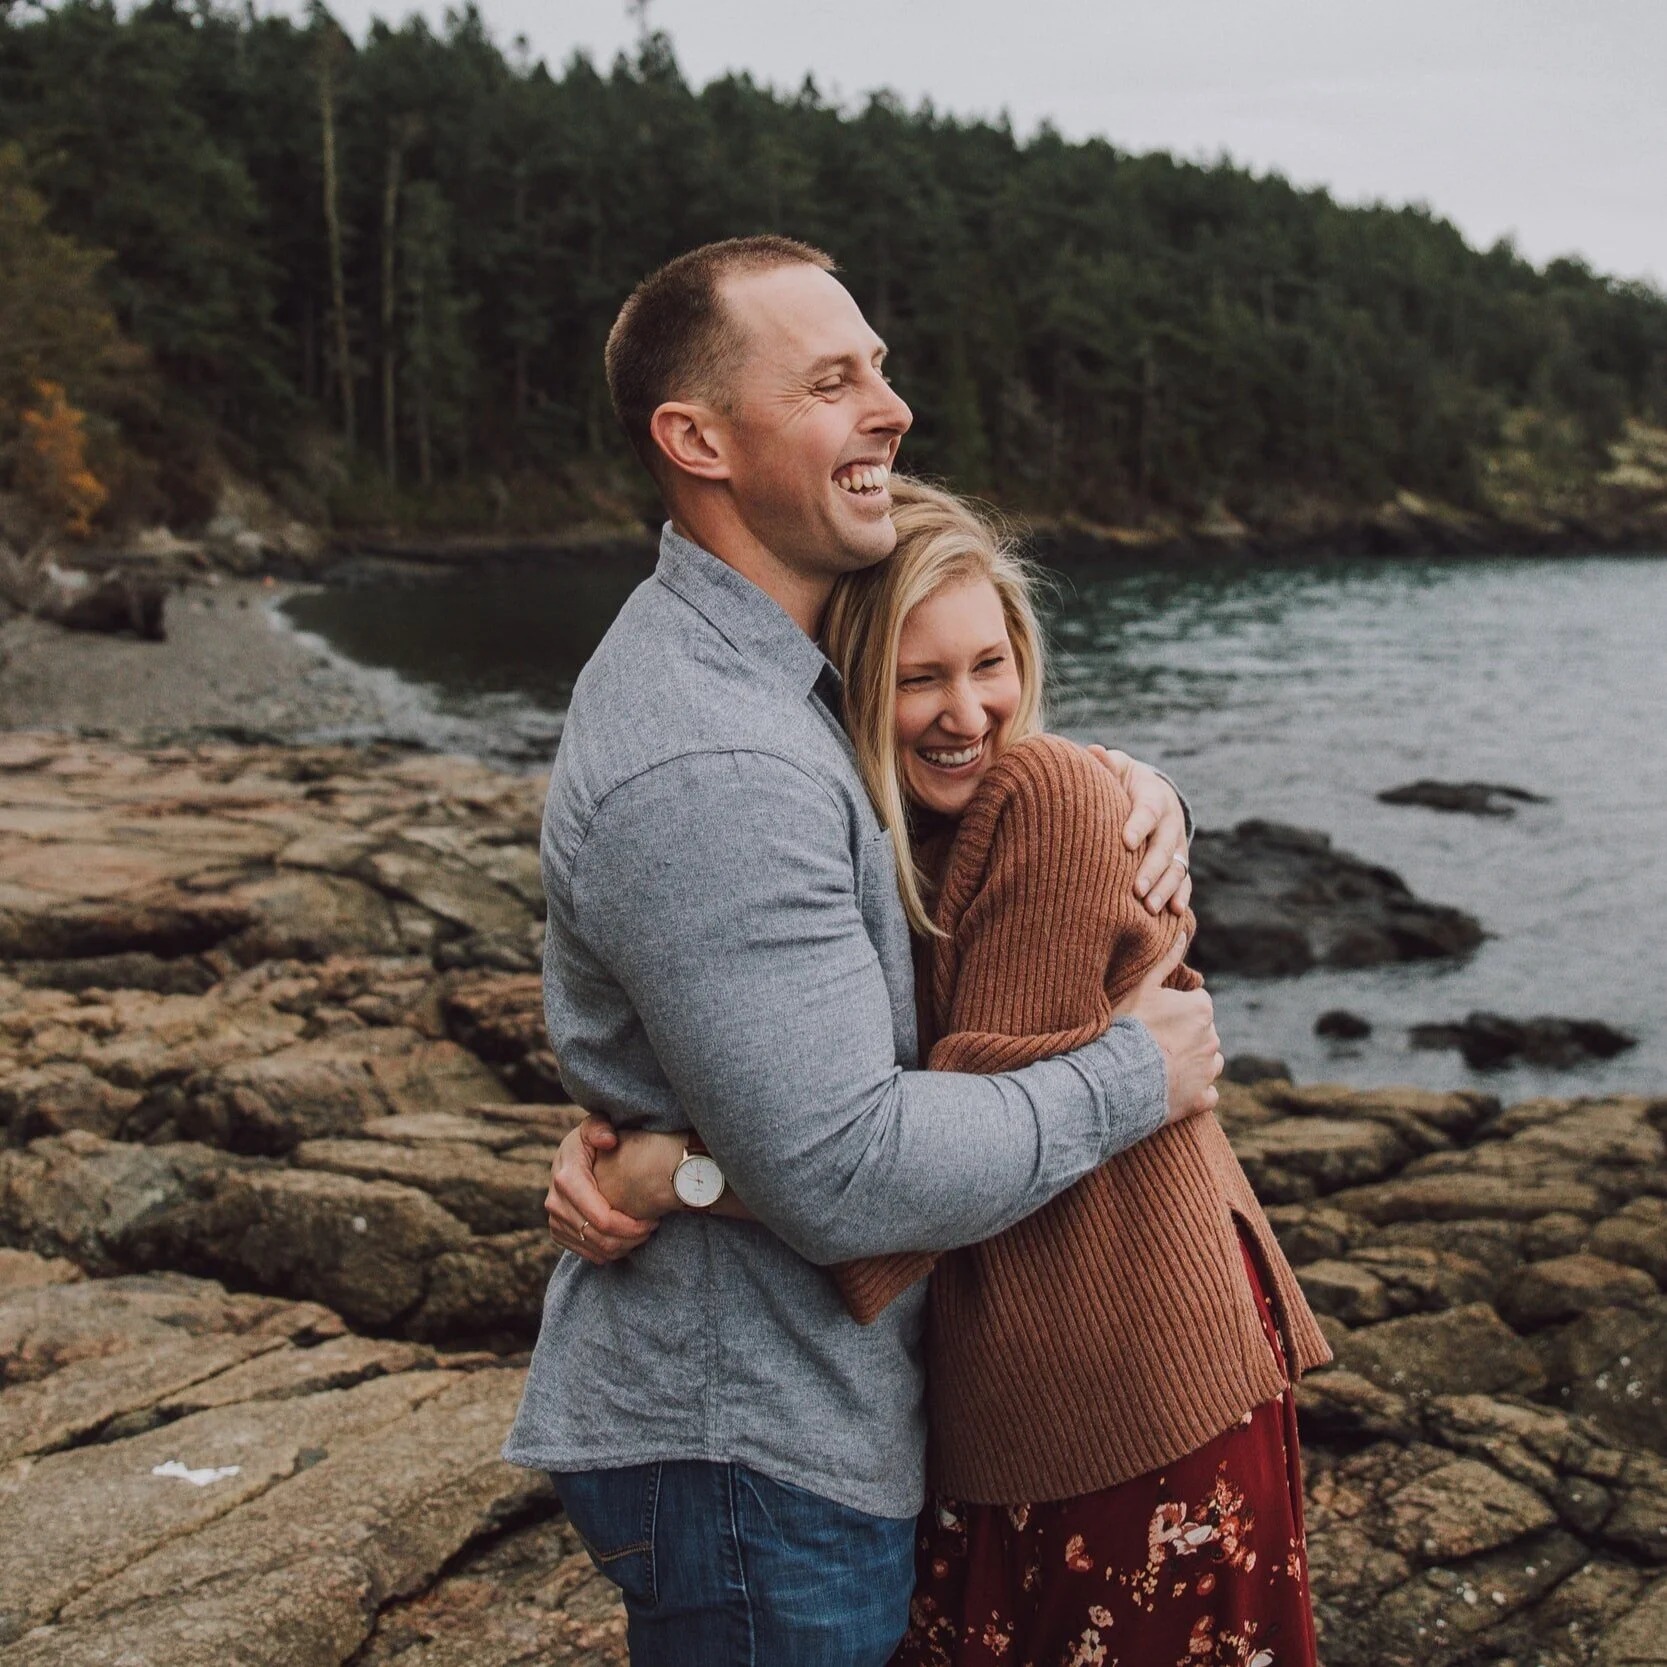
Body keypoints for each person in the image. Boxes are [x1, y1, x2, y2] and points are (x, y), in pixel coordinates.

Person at [503, 234, 1223, 1667]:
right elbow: (839, 1167)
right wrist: (1132, 1077)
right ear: (696, 438)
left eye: (878, 368)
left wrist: (1111, 787)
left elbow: (912, 883)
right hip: (752, 1443)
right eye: (832, 379)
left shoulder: (790, 688)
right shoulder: (714, 751)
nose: (889, 408)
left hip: (802, 1424)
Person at [567, 477, 1333, 1667]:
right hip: (1041, 1377)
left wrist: (678, 1175)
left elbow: (914, 1159)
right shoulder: (877, 826)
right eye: (918, 678)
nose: (967, 711)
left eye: (991, 663)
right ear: (850, 690)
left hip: (1125, 1376)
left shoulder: (1044, 798)